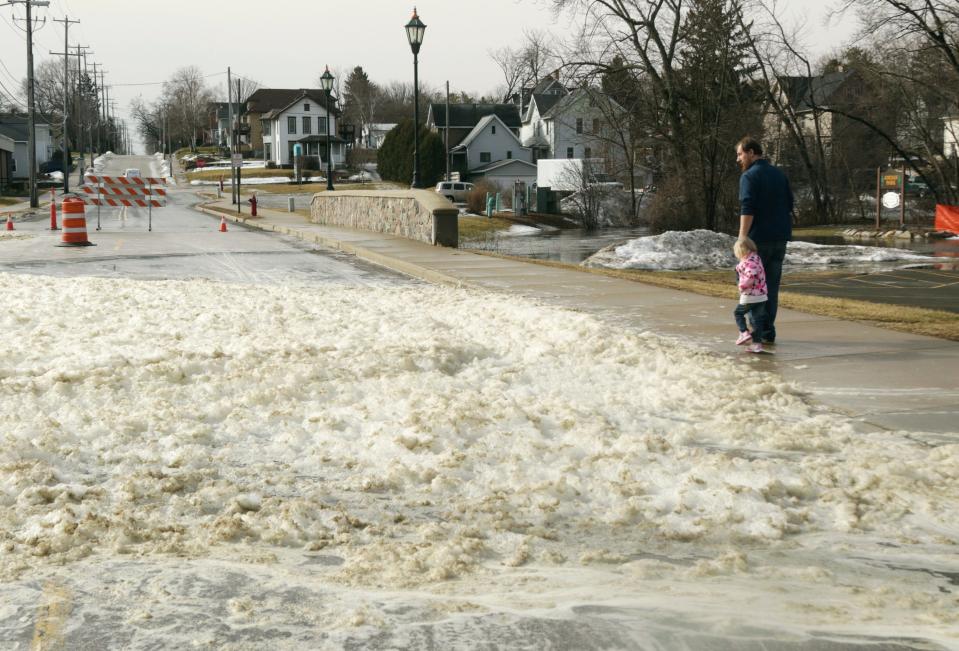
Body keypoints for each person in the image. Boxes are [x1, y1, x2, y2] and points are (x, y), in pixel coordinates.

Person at [736, 136, 793, 344]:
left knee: (750, 287)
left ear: (752, 152)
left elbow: (747, 207)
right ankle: (768, 332)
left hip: (757, 241)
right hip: (780, 238)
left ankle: (757, 332)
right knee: (771, 288)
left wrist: (742, 236)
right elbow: (789, 204)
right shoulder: (779, 174)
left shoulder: (750, 176)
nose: (738, 159)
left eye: (740, 154)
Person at [733, 237, 768, 354]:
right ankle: (757, 344)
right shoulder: (757, 258)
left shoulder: (749, 262)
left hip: (750, 295)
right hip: (762, 296)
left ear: (742, 250)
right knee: (756, 320)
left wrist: (742, 286)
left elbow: (751, 275)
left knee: (738, 313)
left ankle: (744, 333)